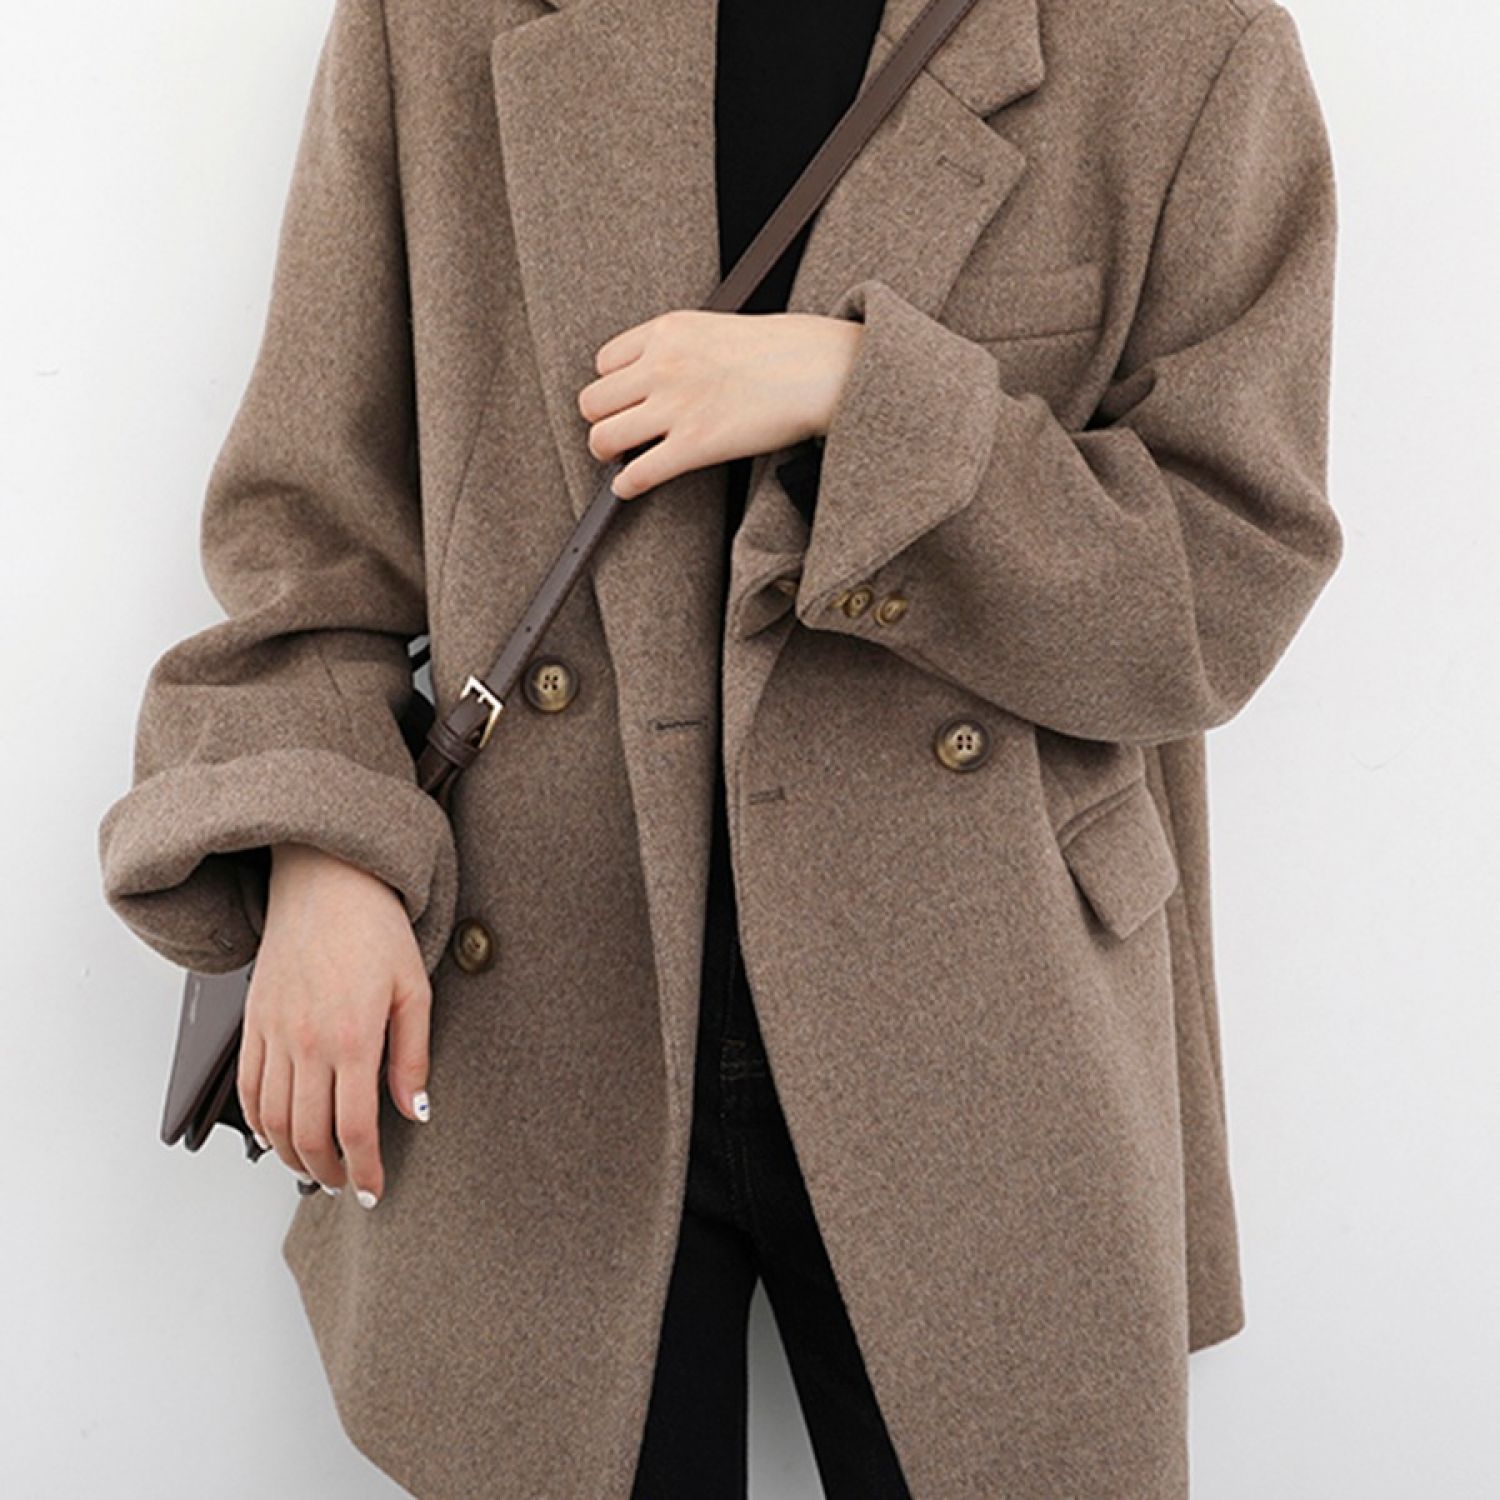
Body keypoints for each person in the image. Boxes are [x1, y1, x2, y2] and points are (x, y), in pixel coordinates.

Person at [98, 0, 1343, 1494]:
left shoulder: (1181, 40)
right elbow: (309, 533)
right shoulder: (434, 21)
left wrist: (862, 397)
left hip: (989, 1021)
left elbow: (1223, 580)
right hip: (537, 1007)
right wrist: (322, 858)